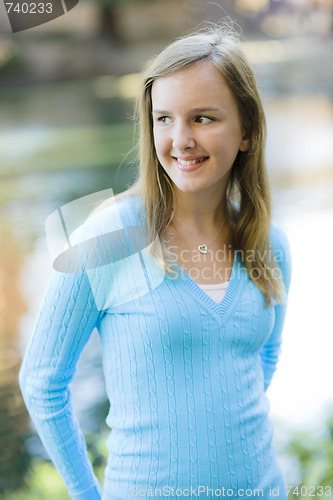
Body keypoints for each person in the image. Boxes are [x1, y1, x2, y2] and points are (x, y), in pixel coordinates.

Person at [19, 23, 292, 500]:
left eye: (203, 118)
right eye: (164, 118)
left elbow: (263, 356)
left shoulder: (270, 244)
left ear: (247, 131)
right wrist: (89, 495)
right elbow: (42, 382)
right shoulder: (110, 237)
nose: (180, 139)